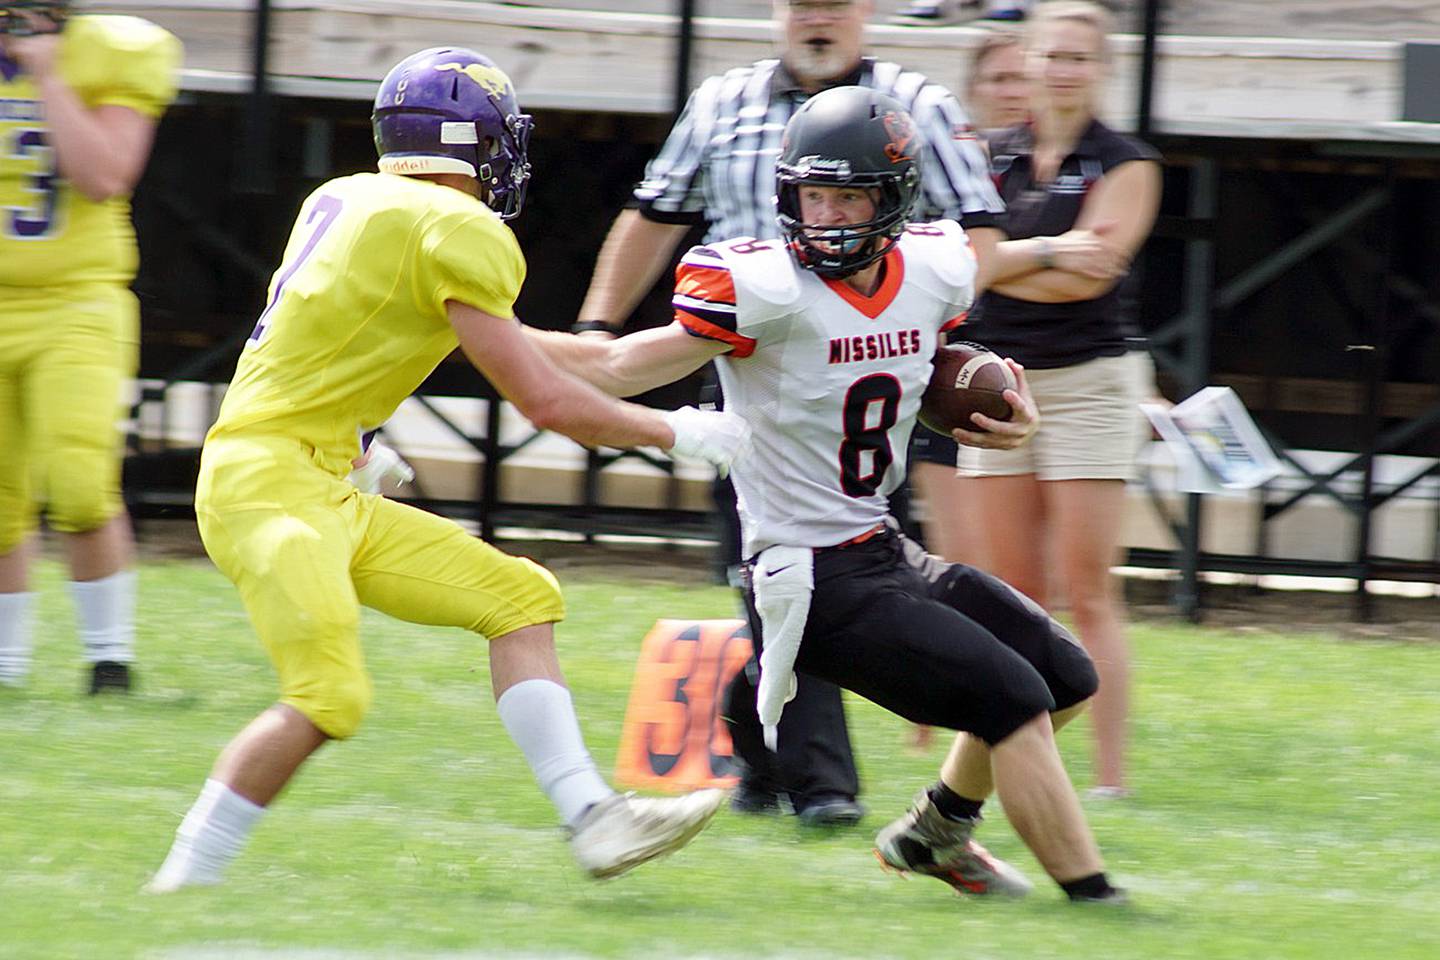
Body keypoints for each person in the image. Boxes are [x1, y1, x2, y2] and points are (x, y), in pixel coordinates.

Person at [145, 47, 749, 893]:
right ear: (477, 143)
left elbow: (565, 363)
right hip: (276, 486)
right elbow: (545, 402)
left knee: (519, 598)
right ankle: (179, 887)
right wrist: (676, 436)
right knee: (328, 699)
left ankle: (593, 820)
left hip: (305, 475)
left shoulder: (350, 198)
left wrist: (702, 342)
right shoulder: (458, 230)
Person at [526, 85, 1127, 903]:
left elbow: (921, 368)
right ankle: (1096, 902)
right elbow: (619, 367)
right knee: (1011, 701)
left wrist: (993, 412)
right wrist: (495, 336)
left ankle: (936, 832)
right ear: (787, 194)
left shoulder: (935, 267)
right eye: (815, 194)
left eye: (849, 195)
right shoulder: (759, 288)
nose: (830, 215)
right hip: (807, 575)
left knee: (1063, 676)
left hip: (881, 547)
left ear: (893, 196)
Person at [572, 0, 1008, 828]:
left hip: (863, 370)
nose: (819, 16)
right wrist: (597, 327)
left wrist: (934, 339)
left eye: (835, 2)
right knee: (782, 570)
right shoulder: (721, 102)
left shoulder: (919, 99)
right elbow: (654, 215)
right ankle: (823, 786)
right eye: (803, 1)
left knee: (832, 575)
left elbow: (975, 231)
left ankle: (757, 739)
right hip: (746, 363)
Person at [957, 0, 1162, 797]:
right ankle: (1010, 763)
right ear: (1031, 63)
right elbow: (962, 264)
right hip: (998, 383)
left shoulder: (1127, 162)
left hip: (1089, 386)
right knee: (1011, 594)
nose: (1064, 70)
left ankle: (1110, 782)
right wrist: (1040, 255)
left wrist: (1005, 261)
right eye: (1053, 55)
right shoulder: (987, 153)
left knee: (1088, 591)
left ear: (1101, 69)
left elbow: (1095, 273)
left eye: (1081, 57)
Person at [0, 1, 181, 694]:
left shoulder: (112, 51)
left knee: (78, 482)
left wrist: (48, 78)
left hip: (74, 299)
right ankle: (7, 671)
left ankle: (110, 662)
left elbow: (104, 175)